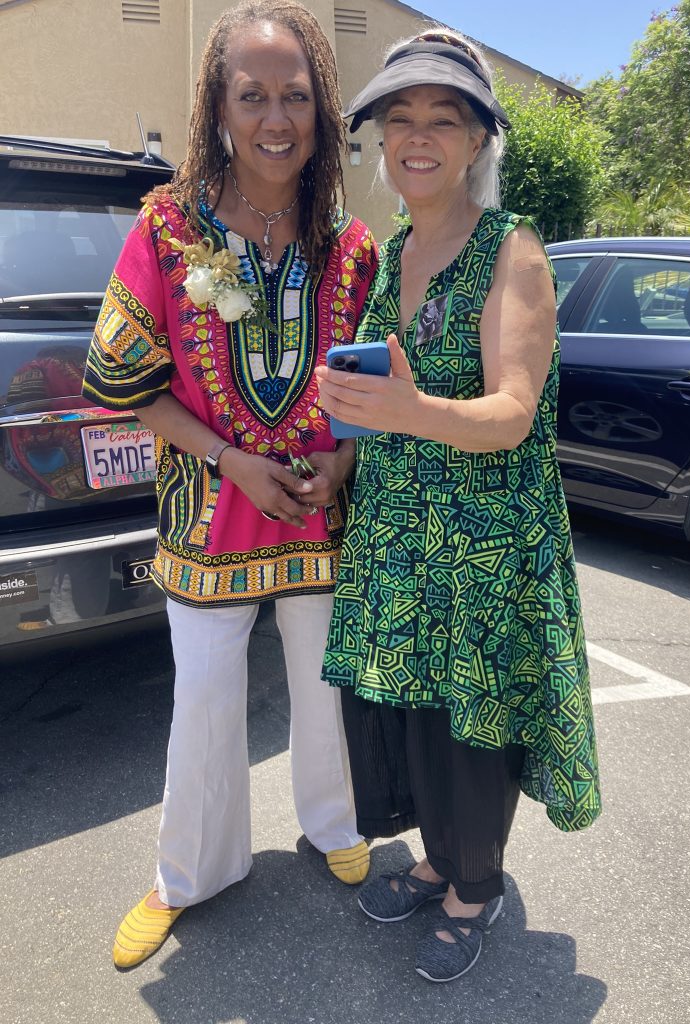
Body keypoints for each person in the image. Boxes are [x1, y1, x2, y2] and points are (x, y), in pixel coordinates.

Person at [83, 0, 377, 970]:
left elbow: (371, 389)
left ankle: (335, 823)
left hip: (319, 519)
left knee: (326, 682)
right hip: (209, 517)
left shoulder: (351, 247)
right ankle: (186, 873)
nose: (275, 118)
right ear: (218, 108)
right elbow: (122, 380)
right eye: (252, 96)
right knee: (205, 701)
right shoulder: (168, 231)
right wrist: (228, 457)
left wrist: (342, 462)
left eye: (296, 96)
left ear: (321, 111)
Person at [316, 29, 601, 983]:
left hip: (479, 546)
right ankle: (438, 859)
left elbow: (513, 414)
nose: (418, 136)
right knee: (413, 714)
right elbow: (381, 395)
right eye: (400, 119)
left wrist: (410, 410)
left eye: (443, 119)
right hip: (400, 538)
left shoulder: (510, 246)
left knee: (469, 722)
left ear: (478, 139)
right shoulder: (394, 249)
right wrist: (345, 442)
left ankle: (474, 887)